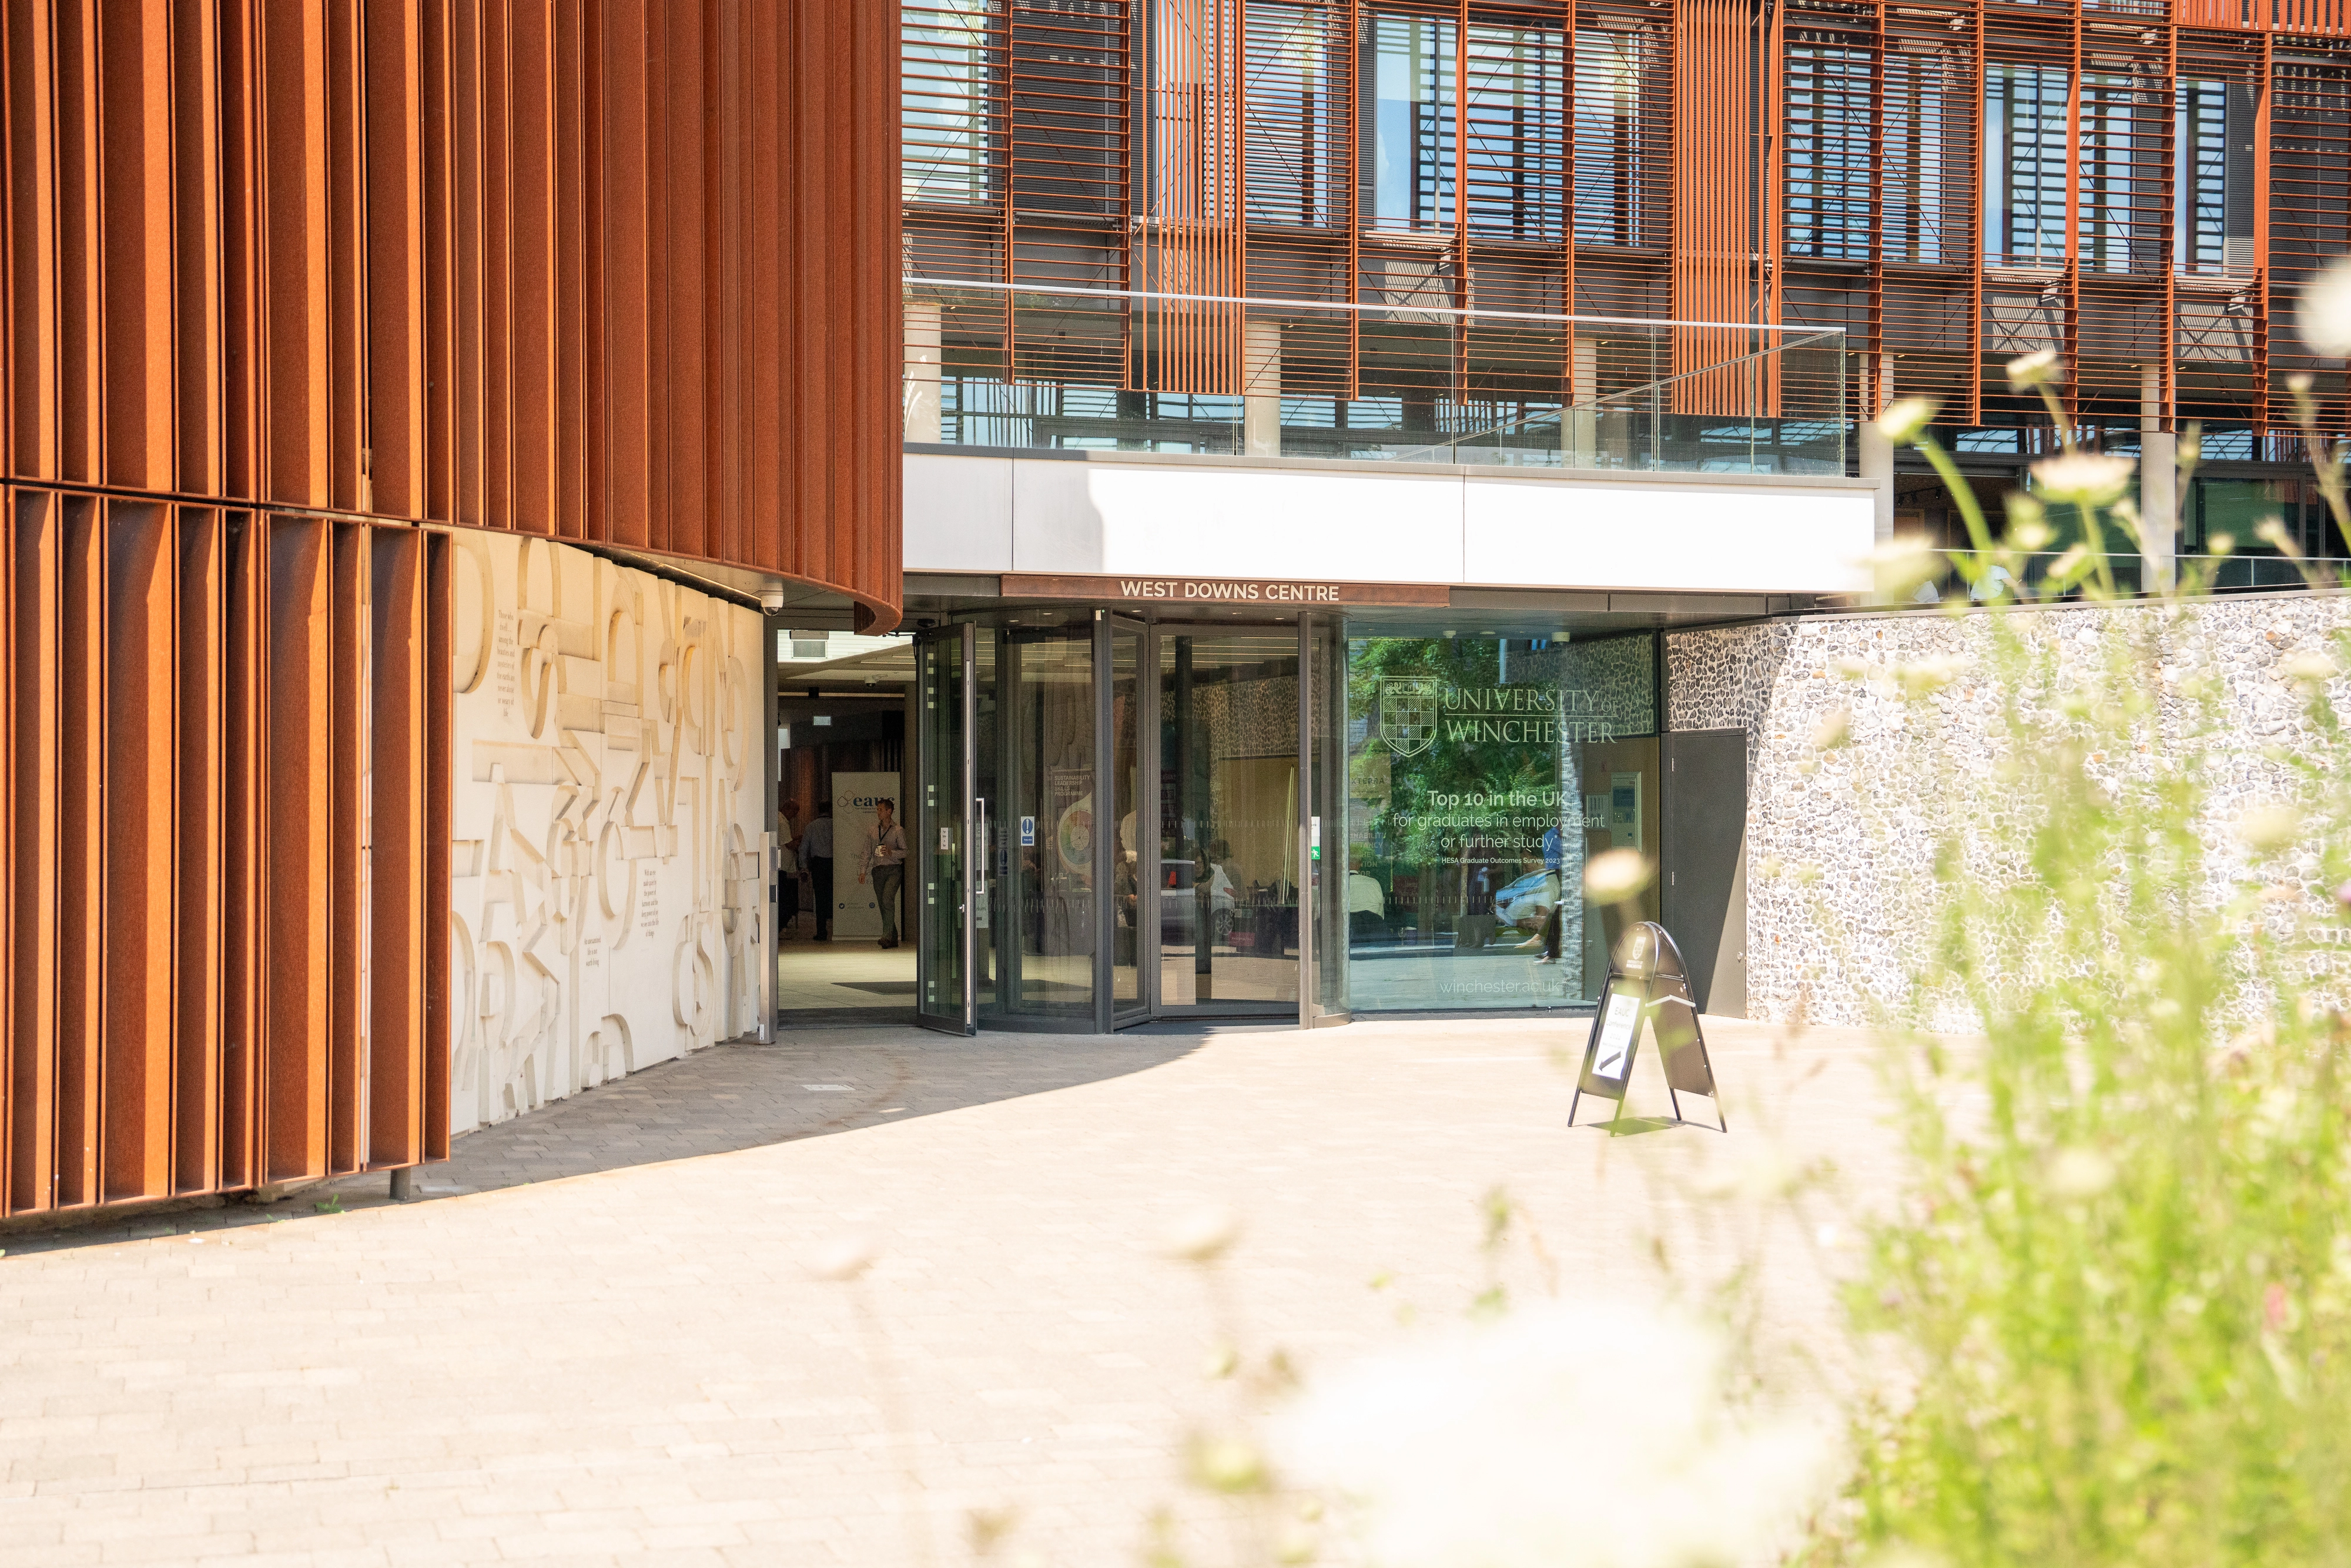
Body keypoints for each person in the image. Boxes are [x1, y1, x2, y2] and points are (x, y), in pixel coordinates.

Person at [863, 798, 907, 949]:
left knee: (887, 898)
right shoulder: (873, 830)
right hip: (878, 870)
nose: (878, 812)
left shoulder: (898, 830)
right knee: (883, 903)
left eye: (881, 810)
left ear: (890, 811)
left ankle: (886, 937)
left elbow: (905, 852)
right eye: (877, 810)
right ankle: (893, 936)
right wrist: (863, 871)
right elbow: (866, 852)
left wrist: (891, 852)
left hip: (893, 869)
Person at [803, 801, 836, 941]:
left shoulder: (811, 826)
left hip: (818, 864)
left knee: (820, 898)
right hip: (834, 864)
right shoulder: (836, 825)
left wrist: (804, 866)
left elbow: (804, 848)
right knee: (835, 895)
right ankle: (840, 930)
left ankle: (822, 931)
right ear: (830, 810)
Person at [777, 800, 802, 939]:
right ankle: (781, 927)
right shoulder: (782, 822)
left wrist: (795, 837)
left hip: (783, 866)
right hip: (783, 866)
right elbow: (789, 845)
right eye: (794, 812)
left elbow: (785, 839)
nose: (795, 816)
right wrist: (800, 845)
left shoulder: (780, 819)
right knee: (785, 899)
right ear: (787, 809)